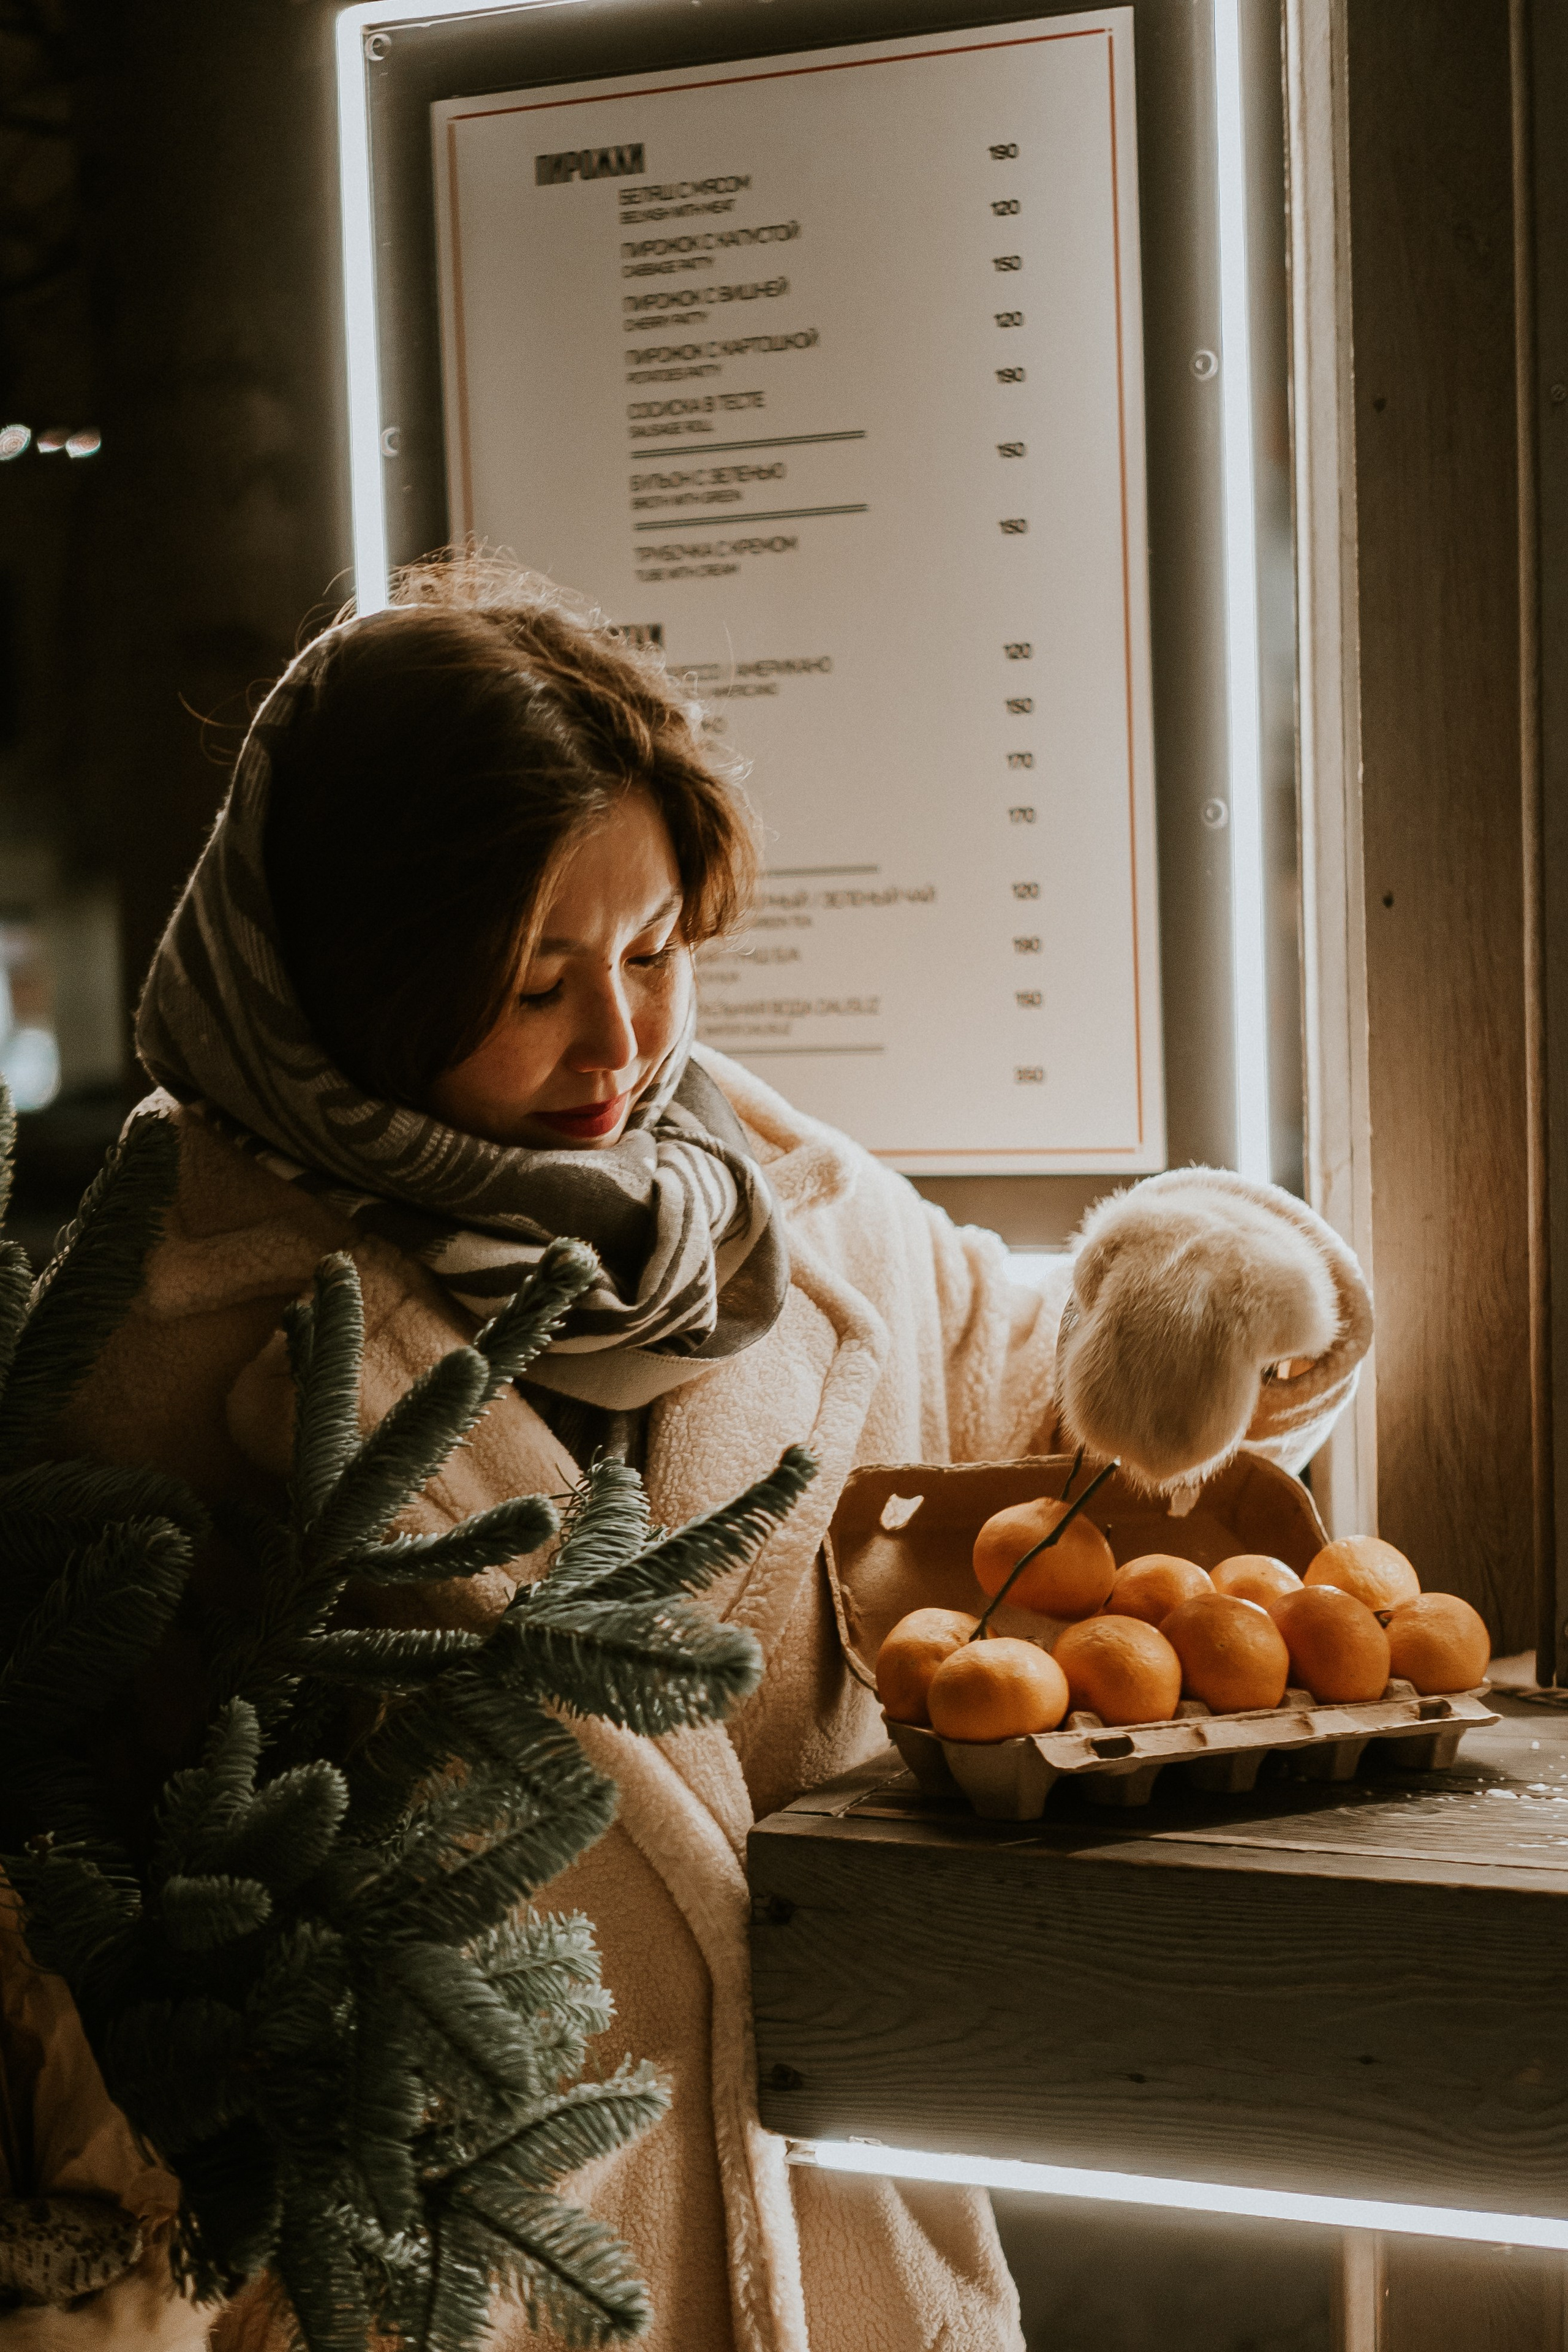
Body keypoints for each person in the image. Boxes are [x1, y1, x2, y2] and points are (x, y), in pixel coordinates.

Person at [48, 555, 1370, 2351]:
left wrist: (1203, 1285)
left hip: (848, 2257)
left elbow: (1054, 1424)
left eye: (657, 952)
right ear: (364, 974)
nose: (620, 1045)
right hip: (443, 2286)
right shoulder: (160, 1328)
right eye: (535, 982)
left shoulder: (768, 1199)